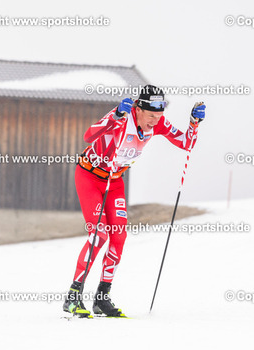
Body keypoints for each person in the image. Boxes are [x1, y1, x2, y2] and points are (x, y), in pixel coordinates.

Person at [62, 85, 206, 317]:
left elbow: (186, 143)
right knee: (99, 235)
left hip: (114, 181)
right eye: (151, 116)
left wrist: (193, 123)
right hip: (90, 176)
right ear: (138, 109)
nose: (155, 122)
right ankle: (73, 295)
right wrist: (116, 115)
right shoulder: (123, 116)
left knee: (119, 237)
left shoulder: (158, 123)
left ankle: (102, 298)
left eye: (159, 116)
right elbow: (88, 136)